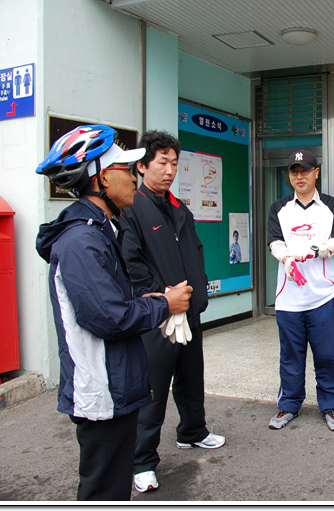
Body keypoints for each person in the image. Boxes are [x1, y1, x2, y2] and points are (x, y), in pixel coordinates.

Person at [35, 125, 193, 501]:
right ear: (103, 177)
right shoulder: (82, 240)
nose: (134, 174)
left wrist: (151, 295)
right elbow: (109, 316)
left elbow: (113, 297)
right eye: (125, 168)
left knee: (114, 487)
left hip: (115, 384)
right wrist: (163, 305)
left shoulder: (101, 229)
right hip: (101, 390)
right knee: (103, 490)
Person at [120, 130, 224, 494]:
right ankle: (142, 461)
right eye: (162, 162)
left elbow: (195, 252)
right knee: (152, 390)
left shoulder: (180, 208)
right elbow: (131, 262)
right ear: (142, 165)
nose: (169, 170)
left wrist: (198, 292)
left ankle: (192, 432)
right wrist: (164, 297)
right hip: (157, 315)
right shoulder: (133, 207)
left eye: (174, 163)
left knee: (191, 378)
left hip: (189, 312)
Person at [266, 149, 334, 432]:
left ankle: (331, 407)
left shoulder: (332, 206)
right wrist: (287, 258)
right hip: (288, 298)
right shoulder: (279, 208)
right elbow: (275, 242)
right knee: (290, 356)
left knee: (328, 355)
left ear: (316, 173)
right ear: (289, 175)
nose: (299, 176)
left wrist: (317, 250)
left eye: (305, 170)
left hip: (322, 295)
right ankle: (288, 405)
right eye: (294, 171)